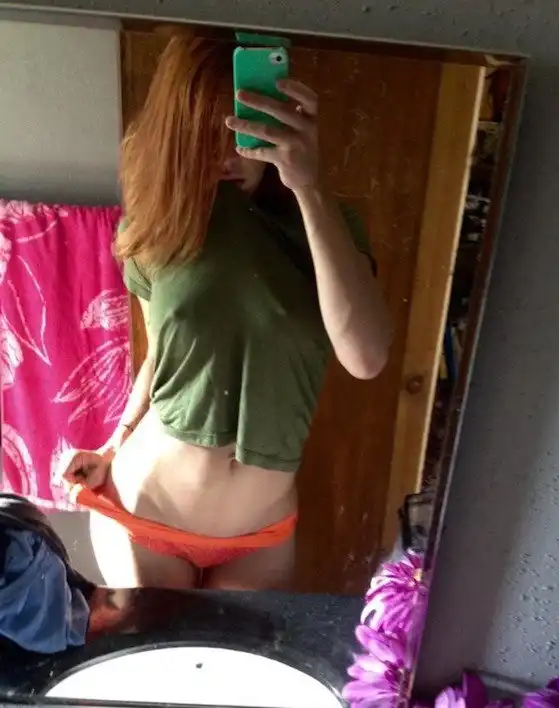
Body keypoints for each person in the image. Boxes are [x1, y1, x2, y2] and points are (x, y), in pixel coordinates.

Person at [60, 31, 391, 591]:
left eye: (241, 131)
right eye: (203, 134)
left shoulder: (327, 229)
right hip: (146, 511)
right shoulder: (157, 227)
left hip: (260, 535)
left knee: (238, 655)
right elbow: (160, 357)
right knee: (158, 653)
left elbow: (366, 358)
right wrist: (114, 444)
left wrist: (309, 187)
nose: (225, 155)